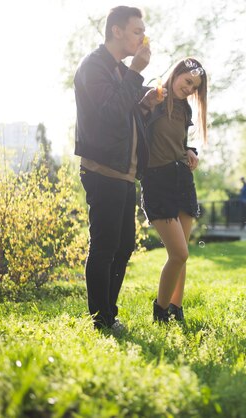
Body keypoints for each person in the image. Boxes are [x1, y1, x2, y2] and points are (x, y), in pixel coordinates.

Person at [74, 6, 162, 331]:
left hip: (125, 174)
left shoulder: (117, 70)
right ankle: (101, 320)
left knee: (123, 246)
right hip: (103, 172)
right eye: (138, 31)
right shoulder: (93, 67)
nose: (143, 37)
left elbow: (122, 114)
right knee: (104, 247)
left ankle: (108, 313)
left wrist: (144, 104)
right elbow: (109, 114)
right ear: (117, 31)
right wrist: (136, 71)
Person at [139, 57, 207, 322]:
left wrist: (189, 150)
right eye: (187, 81)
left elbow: (176, 141)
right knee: (179, 253)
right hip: (157, 182)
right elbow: (138, 130)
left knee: (182, 257)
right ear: (176, 73)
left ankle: (176, 308)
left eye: (195, 87)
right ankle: (160, 310)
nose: (189, 89)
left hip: (181, 180)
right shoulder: (153, 96)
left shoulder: (185, 110)